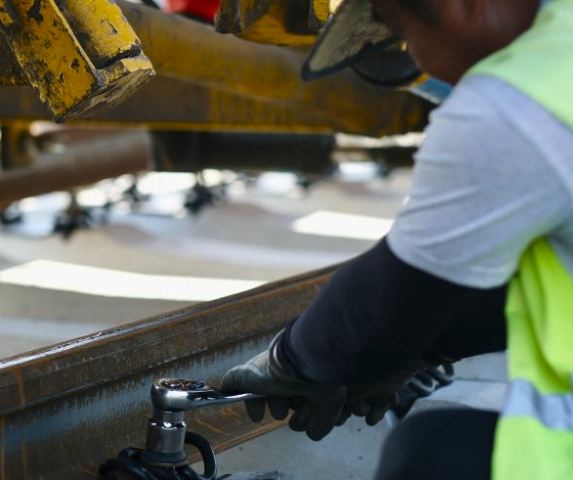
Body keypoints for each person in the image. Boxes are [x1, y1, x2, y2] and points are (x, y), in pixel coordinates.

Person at [220, 0, 573, 479]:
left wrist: (293, 361)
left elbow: (397, 291)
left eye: (402, 32)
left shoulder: (516, 103)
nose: (416, 61)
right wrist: (418, 351)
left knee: (432, 454)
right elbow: (511, 288)